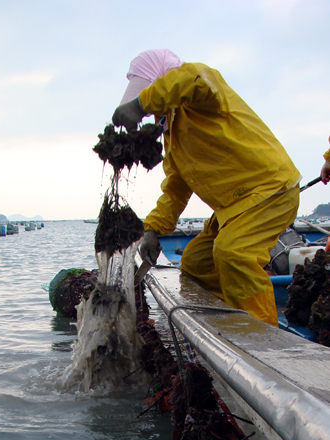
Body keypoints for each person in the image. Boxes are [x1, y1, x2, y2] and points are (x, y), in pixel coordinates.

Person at [112, 49, 301, 327]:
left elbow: (192, 80)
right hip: (235, 207)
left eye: (149, 95)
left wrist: (141, 103)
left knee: (232, 252)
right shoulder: (172, 135)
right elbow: (175, 189)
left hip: (270, 189)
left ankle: (261, 334)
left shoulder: (200, 90)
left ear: (163, 81)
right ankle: (227, 322)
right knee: (195, 262)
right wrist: (152, 229)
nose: (148, 113)